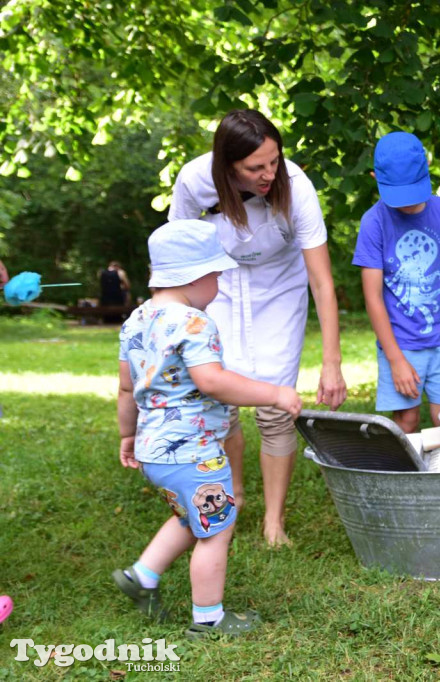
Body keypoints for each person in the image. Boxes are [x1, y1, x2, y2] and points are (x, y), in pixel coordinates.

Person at [115, 220, 302, 638]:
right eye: (216, 274)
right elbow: (212, 381)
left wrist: (127, 435)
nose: (218, 283)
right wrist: (274, 394)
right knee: (218, 527)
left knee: (189, 514)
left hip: (153, 451)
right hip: (194, 452)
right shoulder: (194, 323)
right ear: (194, 276)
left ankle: (143, 575)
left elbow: (127, 388)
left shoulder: (135, 321)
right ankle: (209, 619)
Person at [169, 109, 347, 545]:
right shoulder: (195, 183)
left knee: (275, 406)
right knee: (220, 397)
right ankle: (236, 495)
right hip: (220, 288)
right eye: (255, 168)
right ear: (227, 165)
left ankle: (274, 522)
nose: (269, 173)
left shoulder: (296, 186)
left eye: (274, 161)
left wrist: (332, 363)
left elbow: (322, 281)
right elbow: (179, 255)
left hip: (280, 289)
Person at [353, 132, 440, 433]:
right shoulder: (374, 222)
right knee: (406, 421)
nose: (408, 205)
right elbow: (373, 297)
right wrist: (395, 358)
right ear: (376, 178)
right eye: (400, 196)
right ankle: (407, 480)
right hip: (400, 343)